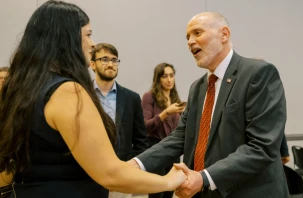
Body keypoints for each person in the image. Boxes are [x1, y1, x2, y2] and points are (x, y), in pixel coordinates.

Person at [0, 1, 186, 198]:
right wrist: (168, 181)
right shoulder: (67, 91)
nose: (92, 43)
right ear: (67, 39)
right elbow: (109, 174)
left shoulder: (20, 88)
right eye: (88, 34)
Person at [129, 12, 289, 198]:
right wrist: (136, 164)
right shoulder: (197, 87)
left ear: (224, 34)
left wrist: (203, 178)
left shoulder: (258, 74)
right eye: (187, 37)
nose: (190, 41)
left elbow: (262, 146)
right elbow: (181, 136)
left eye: (197, 33)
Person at [90, 43, 149, 198]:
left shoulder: (132, 98)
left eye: (114, 60)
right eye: (104, 59)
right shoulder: (81, 94)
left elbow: (141, 140)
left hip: (121, 176)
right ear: (92, 64)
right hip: (87, 175)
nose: (110, 64)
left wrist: (130, 167)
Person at [141, 62, 185, 198]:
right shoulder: (149, 96)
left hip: (173, 149)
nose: (169, 79)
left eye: (172, 75)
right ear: (158, 78)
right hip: (156, 148)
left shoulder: (175, 98)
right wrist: (166, 112)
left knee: (170, 190)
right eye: (165, 76)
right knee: (156, 192)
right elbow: (145, 125)